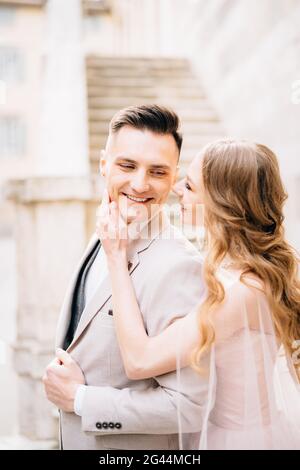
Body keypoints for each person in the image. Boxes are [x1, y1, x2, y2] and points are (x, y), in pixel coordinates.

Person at [98, 139, 300, 450]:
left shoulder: (242, 293)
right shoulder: (233, 269)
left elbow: (140, 360)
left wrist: (115, 258)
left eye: (190, 186)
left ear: (222, 204)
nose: (177, 188)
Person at [43, 104, 208, 450]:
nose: (139, 184)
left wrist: (81, 400)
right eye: (127, 165)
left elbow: (188, 407)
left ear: (174, 176)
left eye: (158, 172)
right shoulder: (106, 227)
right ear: (104, 164)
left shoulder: (180, 267)